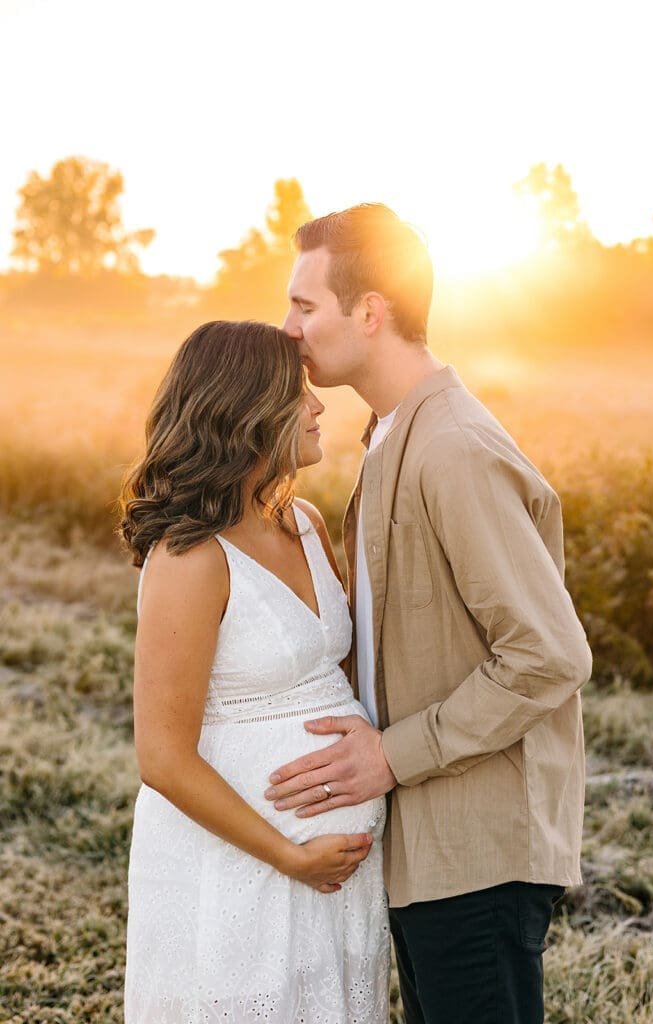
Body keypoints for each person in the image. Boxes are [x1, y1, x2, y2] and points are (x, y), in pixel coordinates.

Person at [265, 205, 593, 1023]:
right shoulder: (390, 437)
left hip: (477, 855)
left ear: (369, 311)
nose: (288, 329)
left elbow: (549, 655)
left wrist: (391, 756)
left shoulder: (451, 450)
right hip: (430, 847)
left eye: (305, 307)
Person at [119, 320, 389, 1023]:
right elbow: (162, 757)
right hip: (240, 866)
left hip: (334, 873)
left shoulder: (303, 521)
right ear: (247, 410)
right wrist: (287, 855)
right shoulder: (190, 559)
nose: (319, 406)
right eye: (298, 394)